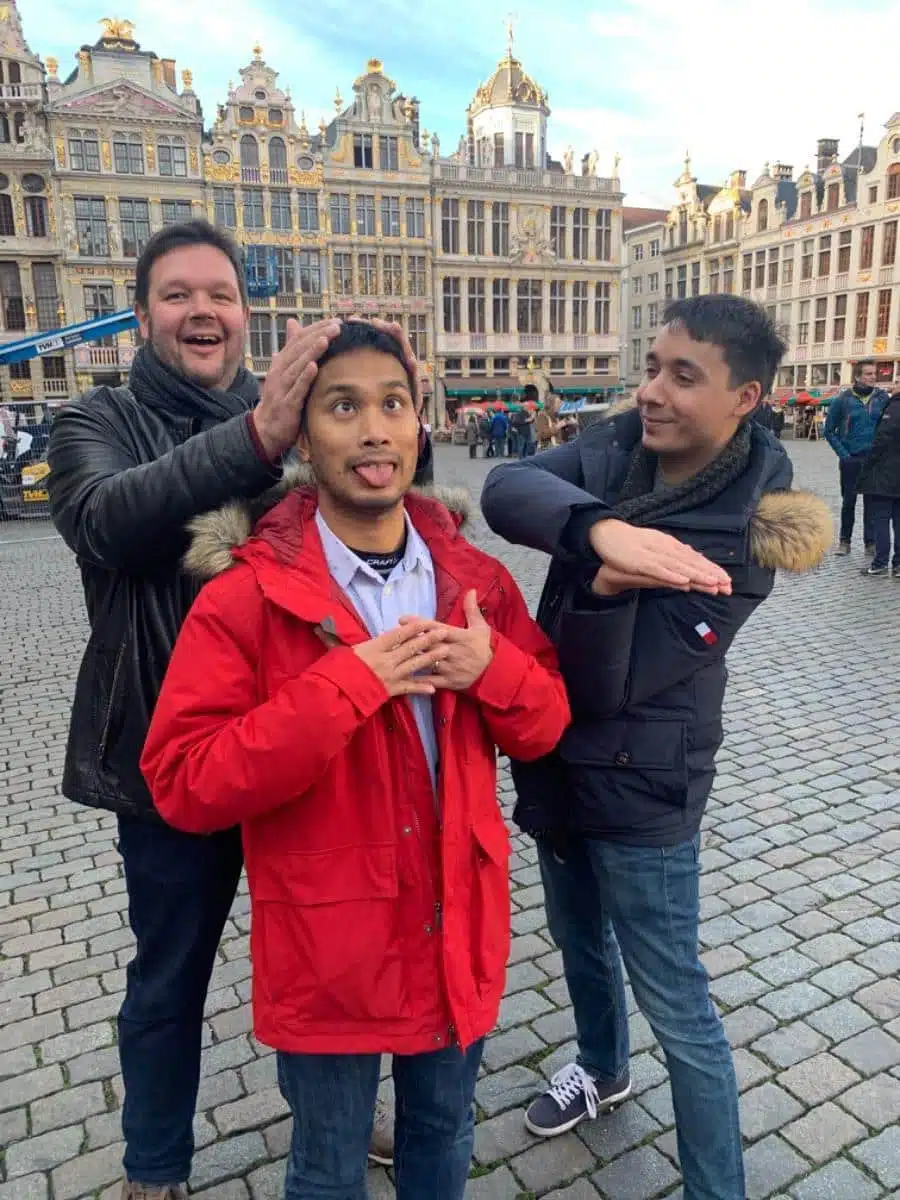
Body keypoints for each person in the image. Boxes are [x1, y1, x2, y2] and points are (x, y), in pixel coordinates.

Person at [139, 321, 570, 1200]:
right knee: (329, 1166)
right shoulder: (247, 598)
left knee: (443, 1140)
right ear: (303, 438)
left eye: (393, 404)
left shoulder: (475, 583)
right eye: (344, 407)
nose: (374, 430)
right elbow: (185, 781)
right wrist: (345, 686)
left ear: (420, 423)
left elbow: (546, 726)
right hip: (328, 949)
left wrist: (493, 669)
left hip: (454, 930)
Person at [45, 221, 421, 1199]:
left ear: (247, 316)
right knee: (169, 977)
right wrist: (259, 437)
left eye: (220, 294)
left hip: (303, 745)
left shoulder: (291, 407)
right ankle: (155, 1164)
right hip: (172, 763)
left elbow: (383, 510)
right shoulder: (95, 420)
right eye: (178, 295)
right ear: (142, 316)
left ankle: (335, 1112)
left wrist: (387, 408)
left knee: (326, 957)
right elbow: (107, 521)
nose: (201, 311)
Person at [481, 295, 832, 1200]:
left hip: (645, 789)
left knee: (678, 1005)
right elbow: (505, 488)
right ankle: (602, 1067)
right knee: (577, 940)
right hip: (555, 758)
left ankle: (718, 1187)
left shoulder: (747, 535)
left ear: (744, 398)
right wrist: (602, 530)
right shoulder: (614, 447)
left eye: (684, 376)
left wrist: (599, 588)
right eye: (651, 368)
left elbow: (614, 685)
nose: (652, 392)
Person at [824, 360, 890, 555]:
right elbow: (829, 431)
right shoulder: (843, 400)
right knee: (849, 502)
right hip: (851, 459)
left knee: (872, 503)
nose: (873, 377)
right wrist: (844, 455)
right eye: (868, 374)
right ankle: (845, 541)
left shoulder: (882, 398)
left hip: (874, 460)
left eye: (874, 373)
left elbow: (888, 426)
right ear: (858, 377)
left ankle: (870, 543)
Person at [858, 390, 900, 578]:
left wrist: (868, 465)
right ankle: (898, 564)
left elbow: (882, 439)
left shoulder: (895, 407)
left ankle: (880, 562)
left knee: (881, 520)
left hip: (886, 474)